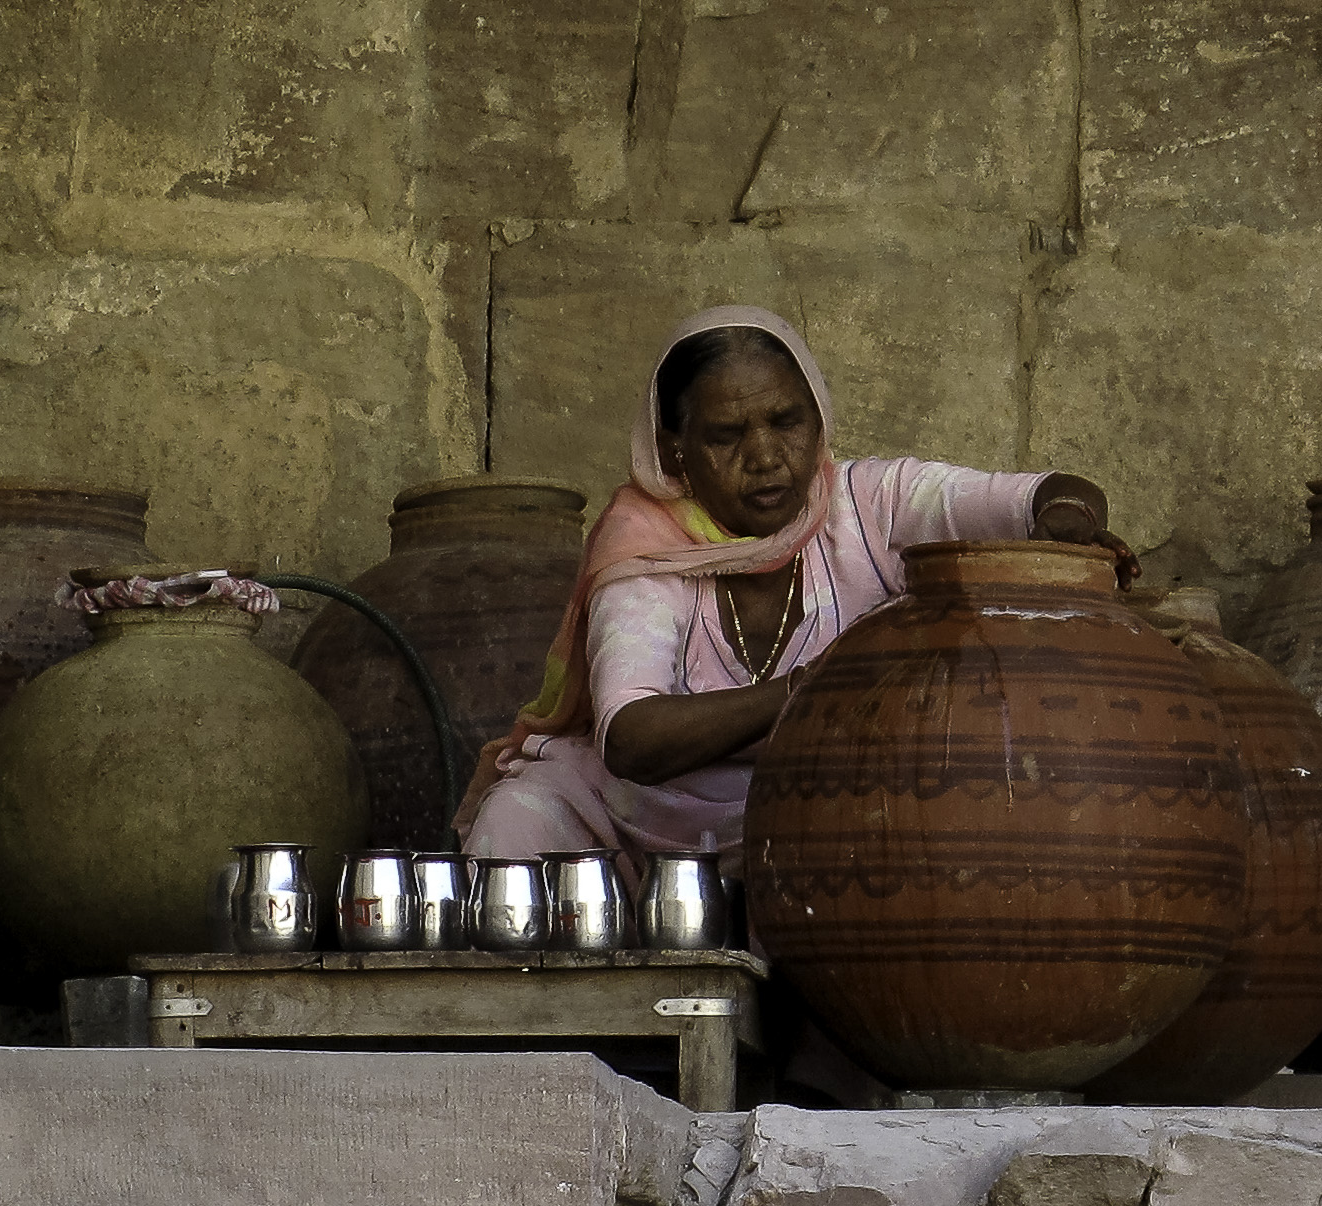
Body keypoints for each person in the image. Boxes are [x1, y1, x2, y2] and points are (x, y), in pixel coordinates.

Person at [457, 304, 1138, 886]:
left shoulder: (870, 504)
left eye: (787, 422)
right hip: (631, 820)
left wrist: (1066, 528)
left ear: (820, 421)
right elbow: (631, 737)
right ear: (675, 449)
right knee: (516, 822)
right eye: (726, 435)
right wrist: (810, 690)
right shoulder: (646, 545)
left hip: (807, 813)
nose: (764, 456)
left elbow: (1045, 495)